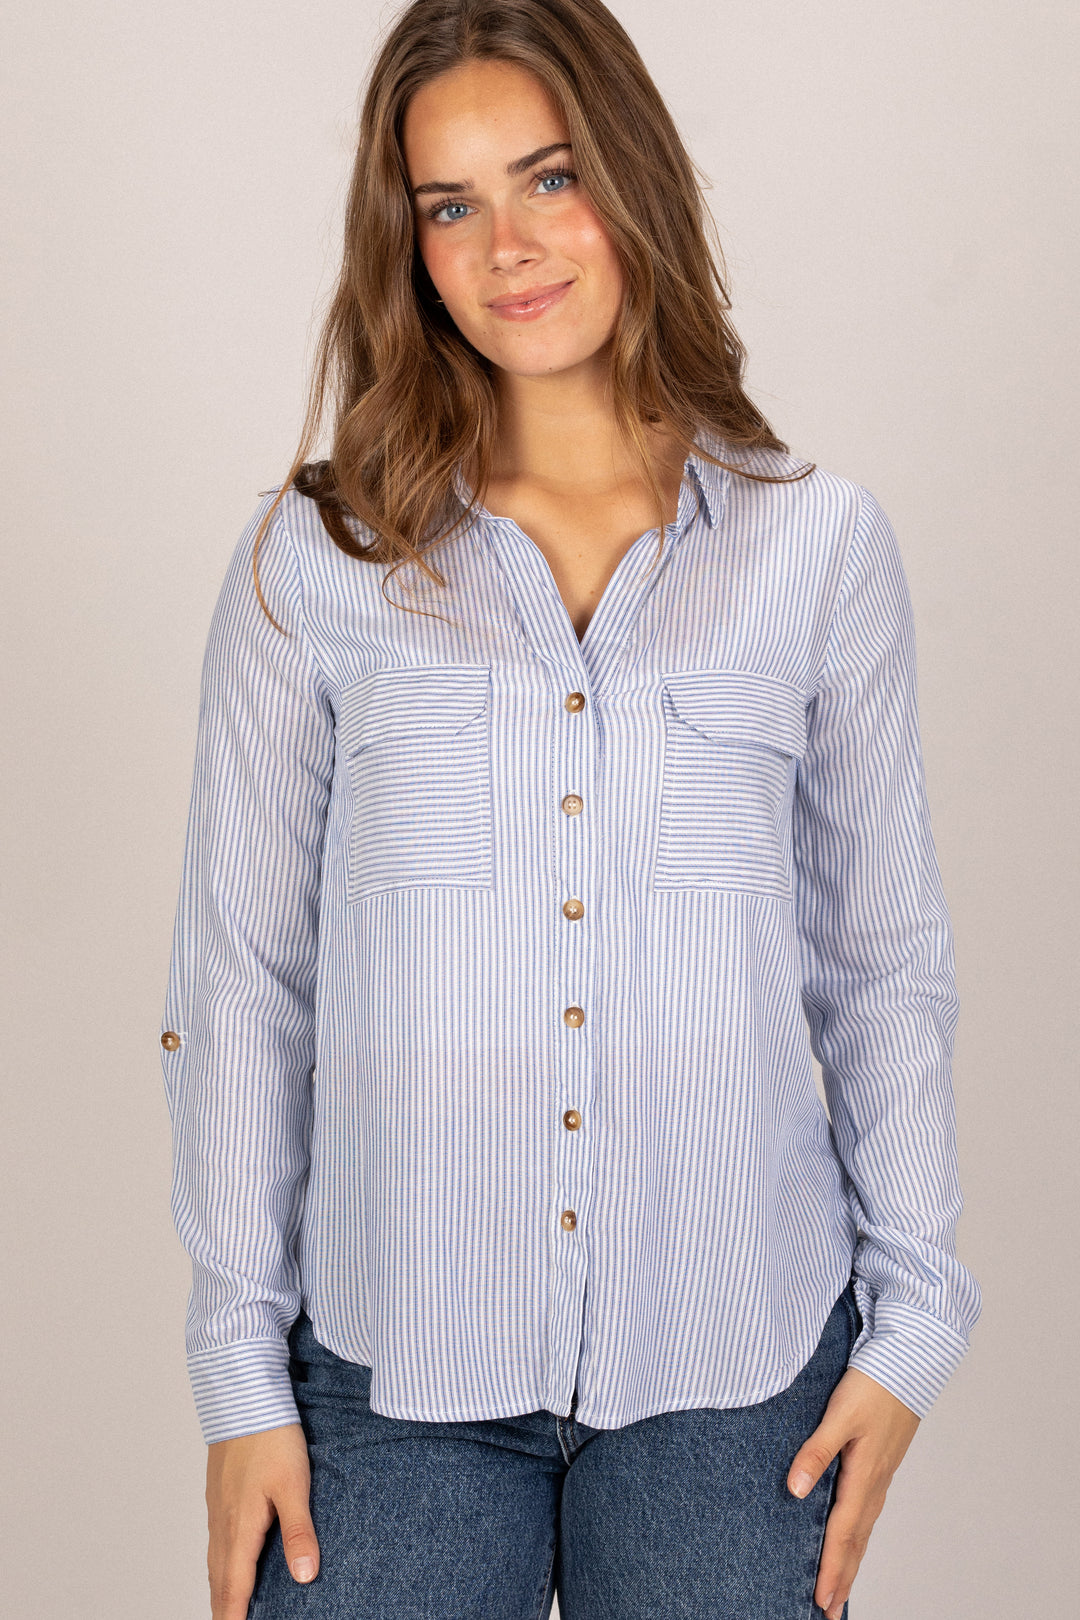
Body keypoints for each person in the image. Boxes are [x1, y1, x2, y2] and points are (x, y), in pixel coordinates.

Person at [158, 2, 982, 1616]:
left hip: (739, 1369)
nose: (507, 248)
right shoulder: (310, 567)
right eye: (448, 205)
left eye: (549, 180)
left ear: (634, 182)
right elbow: (242, 989)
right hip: (393, 1387)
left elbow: (883, 965)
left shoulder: (815, 550)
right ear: (405, 247)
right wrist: (239, 1378)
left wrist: (916, 1325)